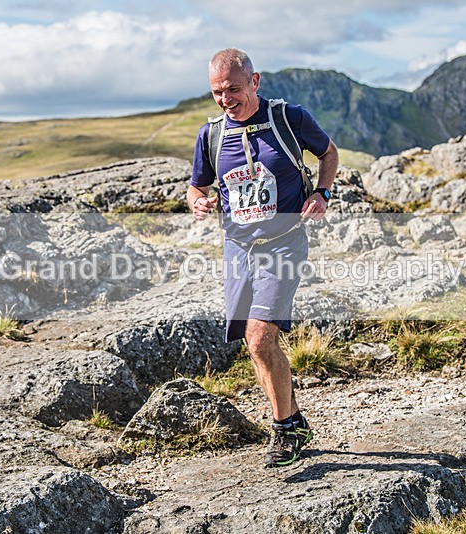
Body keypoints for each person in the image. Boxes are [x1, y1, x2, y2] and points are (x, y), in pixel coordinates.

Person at [187, 48, 339, 467]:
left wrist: (321, 192)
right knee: (254, 346)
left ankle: (285, 429)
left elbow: (329, 153)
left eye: (233, 89)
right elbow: (197, 186)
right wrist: (200, 202)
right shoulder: (211, 135)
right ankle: (292, 421)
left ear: (255, 82)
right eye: (217, 92)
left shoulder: (289, 118)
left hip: (283, 242)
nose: (225, 99)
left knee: (260, 336)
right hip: (237, 248)